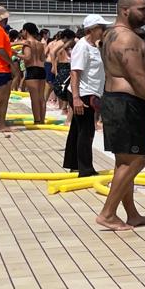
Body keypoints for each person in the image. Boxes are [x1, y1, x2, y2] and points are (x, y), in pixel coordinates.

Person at [96, 0, 145, 231]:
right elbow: (137, 75)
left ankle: (131, 213)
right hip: (127, 104)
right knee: (137, 159)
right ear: (125, 10)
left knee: (124, 161)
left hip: (115, 100)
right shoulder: (128, 39)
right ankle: (107, 213)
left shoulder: (110, 34)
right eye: (142, 9)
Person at [63, 16, 107, 177]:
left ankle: (74, 164)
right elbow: (75, 73)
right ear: (91, 30)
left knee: (77, 129)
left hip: (89, 92)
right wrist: (76, 98)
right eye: (101, 28)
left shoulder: (94, 46)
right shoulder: (82, 47)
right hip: (83, 93)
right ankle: (85, 169)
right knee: (86, 131)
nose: (104, 31)